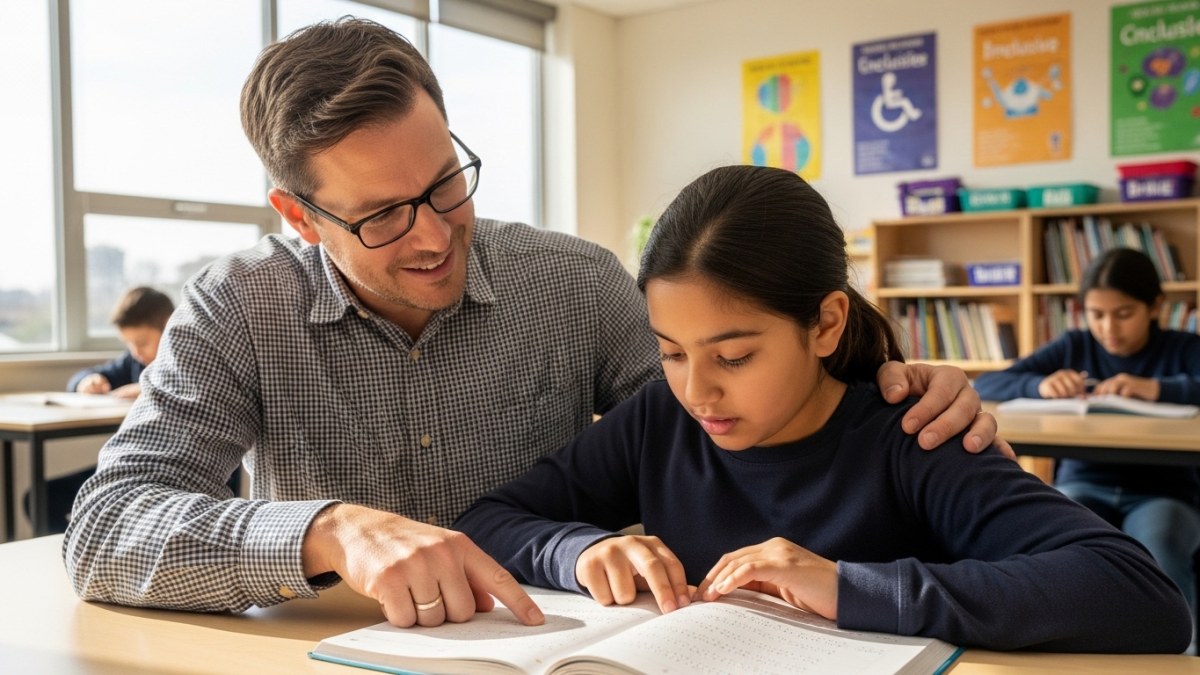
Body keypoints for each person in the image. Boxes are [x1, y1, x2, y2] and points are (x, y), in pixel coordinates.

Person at [63, 18, 1001, 628]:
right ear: (299, 217)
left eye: (444, 184)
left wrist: (886, 381)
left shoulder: (577, 283)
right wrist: (327, 532)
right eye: (382, 214)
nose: (434, 236)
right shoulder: (238, 308)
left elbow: (723, 429)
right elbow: (104, 529)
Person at [454, 166, 1191, 652]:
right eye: (672, 351)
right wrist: (578, 549)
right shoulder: (661, 419)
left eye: (735, 355)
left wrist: (853, 586)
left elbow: (1142, 596)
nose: (697, 389)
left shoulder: (913, 435)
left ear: (827, 324)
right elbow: (488, 520)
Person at [974, 247, 1200, 649]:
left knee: (1161, 543)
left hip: (1164, 491)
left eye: (1123, 313)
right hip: (1084, 485)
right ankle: (1075, 649)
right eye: (1096, 314)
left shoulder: (1183, 348)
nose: (1108, 327)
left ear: (1154, 307)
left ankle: (1181, 653)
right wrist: (1038, 385)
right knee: (1061, 551)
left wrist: (1160, 388)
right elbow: (988, 383)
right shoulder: (1074, 345)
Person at [26, 287, 174, 534]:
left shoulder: (191, 363)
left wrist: (148, 388)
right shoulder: (134, 361)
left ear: (169, 326)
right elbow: (86, 377)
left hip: (166, 473)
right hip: (126, 467)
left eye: (142, 342)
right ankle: (73, 557)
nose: (136, 351)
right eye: (128, 344)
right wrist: (88, 381)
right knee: (39, 498)